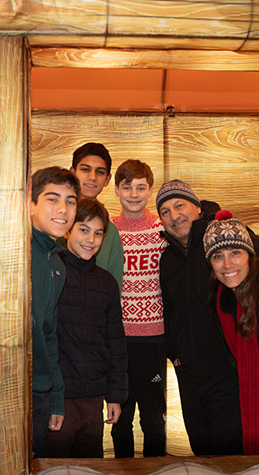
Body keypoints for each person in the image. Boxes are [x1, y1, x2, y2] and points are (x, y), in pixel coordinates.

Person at [156, 179, 259, 455]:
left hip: (227, 372)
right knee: (202, 452)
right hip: (188, 374)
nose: (174, 216)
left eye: (180, 205)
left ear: (197, 208)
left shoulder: (224, 237)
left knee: (232, 456)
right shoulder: (168, 259)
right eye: (165, 211)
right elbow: (170, 309)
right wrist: (174, 352)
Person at [46, 198, 129, 458]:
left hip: (94, 399)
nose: (90, 240)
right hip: (58, 398)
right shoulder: (51, 272)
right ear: (68, 229)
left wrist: (114, 396)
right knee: (53, 472)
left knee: (91, 472)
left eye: (98, 233)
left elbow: (116, 342)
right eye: (84, 230)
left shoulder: (107, 283)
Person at [203, 209, 259, 454]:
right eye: (217, 256)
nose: (227, 264)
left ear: (249, 254)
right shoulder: (220, 302)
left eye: (235, 252)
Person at [110, 159, 167, 458]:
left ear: (150, 190)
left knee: (154, 419)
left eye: (141, 187)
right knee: (120, 419)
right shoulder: (106, 231)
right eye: (127, 187)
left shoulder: (162, 229)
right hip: (118, 338)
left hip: (154, 338)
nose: (134, 193)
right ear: (116, 190)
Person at [30, 166, 79, 458]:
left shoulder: (57, 264)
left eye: (70, 201)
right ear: (30, 203)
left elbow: (49, 336)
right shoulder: (16, 249)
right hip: (8, 394)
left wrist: (57, 398)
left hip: (41, 397)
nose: (63, 209)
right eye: (52, 199)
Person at [68, 142, 124, 286]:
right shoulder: (56, 223)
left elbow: (113, 287)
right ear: (72, 173)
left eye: (100, 172)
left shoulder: (110, 231)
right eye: (85, 169)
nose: (92, 177)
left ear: (107, 180)